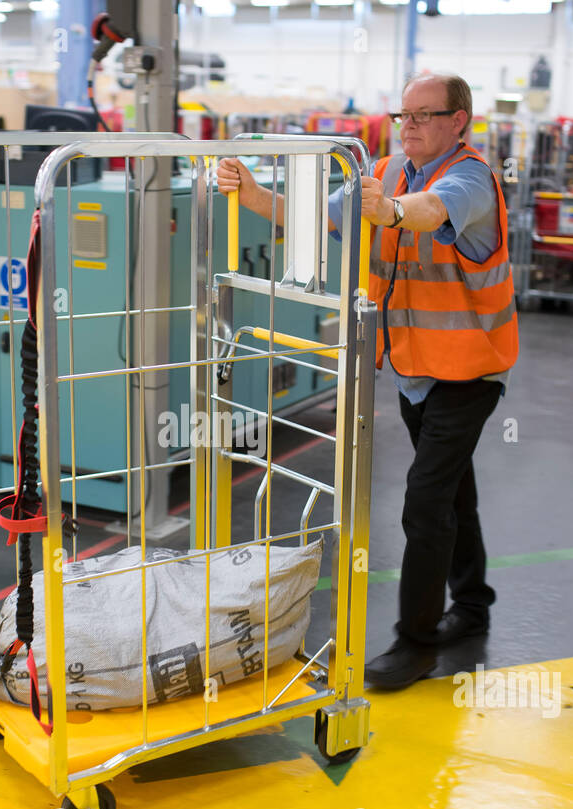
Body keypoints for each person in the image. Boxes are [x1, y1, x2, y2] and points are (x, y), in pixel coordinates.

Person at [217, 71, 518, 689]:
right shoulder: (384, 169)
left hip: (468, 369)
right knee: (454, 490)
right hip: (412, 368)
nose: (409, 126)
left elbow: (430, 211)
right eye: (403, 115)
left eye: (424, 116)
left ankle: (417, 642)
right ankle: (473, 602)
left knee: (426, 502)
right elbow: (320, 218)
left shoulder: (472, 178)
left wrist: (390, 210)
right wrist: (250, 194)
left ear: (459, 120)